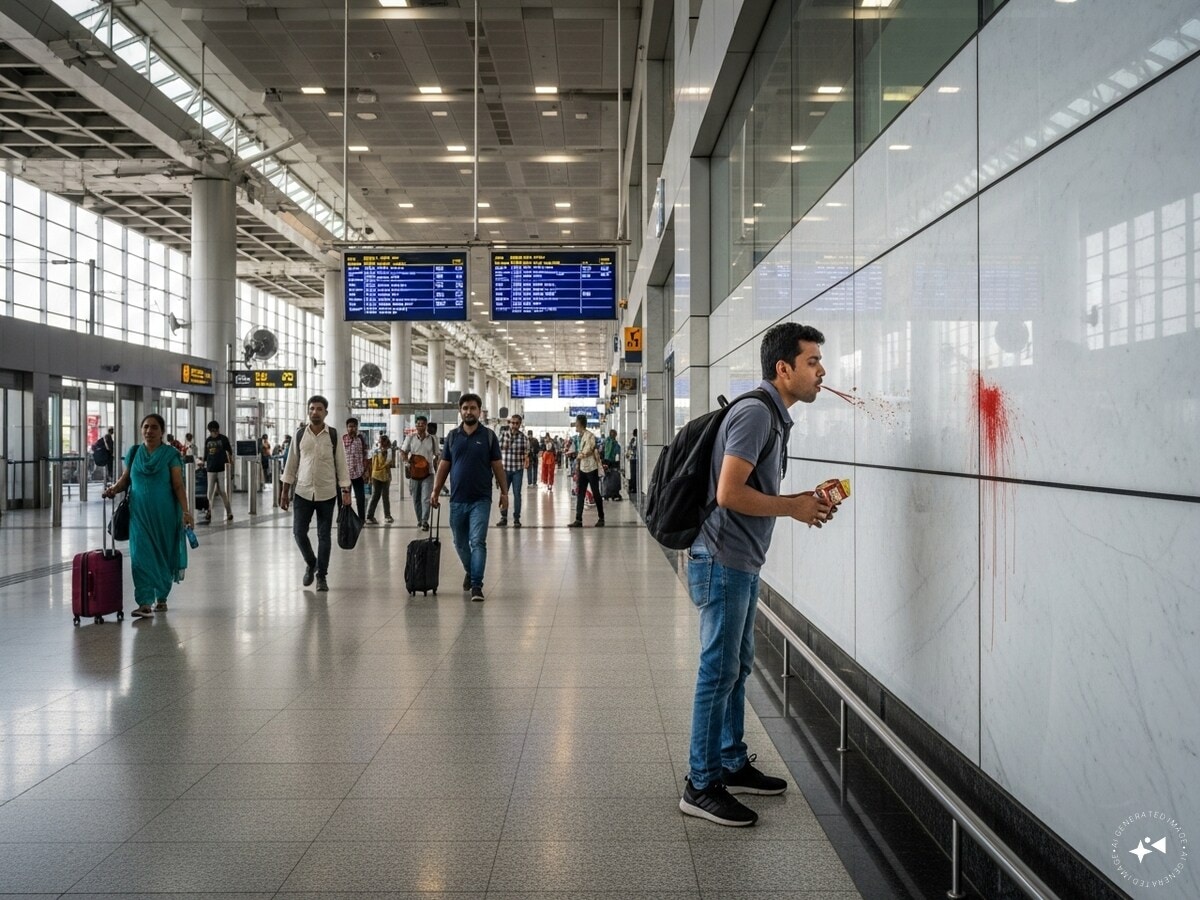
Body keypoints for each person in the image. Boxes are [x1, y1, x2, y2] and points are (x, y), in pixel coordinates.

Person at [679, 322, 835, 828]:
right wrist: (793, 507)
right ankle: (700, 784)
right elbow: (729, 493)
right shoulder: (754, 414)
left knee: (738, 666)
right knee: (718, 671)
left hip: (740, 560)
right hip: (723, 559)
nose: (822, 371)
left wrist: (800, 500)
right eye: (812, 361)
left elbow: (751, 489)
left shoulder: (770, 415)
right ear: (783, 368)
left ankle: (730, 760)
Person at [102, 414, 192, 619]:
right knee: (140, 556)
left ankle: (161, 595)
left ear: (162, 431)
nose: (149, 431)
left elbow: (178, 486)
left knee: (162, 554)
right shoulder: (134, 452)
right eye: (145, 427)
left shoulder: (170, 454)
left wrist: (186, 512)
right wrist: (113, 490)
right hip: (139, 515)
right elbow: (125, 480)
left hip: (165, 515)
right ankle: (144, 602)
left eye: (153, 428)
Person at [429, 393, 507, 602]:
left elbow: (497, 466)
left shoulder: (489, 436)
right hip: (457, 500)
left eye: (473, 408)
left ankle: (476, 585)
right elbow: (444, 465)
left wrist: (504, 492)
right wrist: (436, 490)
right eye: (465, 408)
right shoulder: (453, 436)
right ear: (460, 411)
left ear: (479, 411)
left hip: (481, 499)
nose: (468, 412)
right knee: (460, 542)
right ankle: (470, 570)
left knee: (477, 541)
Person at [279, 395, 352, 592]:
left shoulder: (333, 435)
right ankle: (312, 562)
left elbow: (341, 465)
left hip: (327, 493)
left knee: (324, 535)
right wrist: (285, 492)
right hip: (302, 491)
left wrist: (346, 491)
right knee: (298, 532)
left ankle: (322, 576)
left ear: (325, 412)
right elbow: (291, 464)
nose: (315, 412)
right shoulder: (300, 435)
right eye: (312, 408)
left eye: (319, 409)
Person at [400, 416, 438, 531]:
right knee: (416, 498)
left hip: (428, 472)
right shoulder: (410, 438)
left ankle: (425, 521)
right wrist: (406, 462)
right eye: (418, 424)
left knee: (426, 498)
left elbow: (437, 454)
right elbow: (403, 451)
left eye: (422, 424)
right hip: (415, 473)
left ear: (426, 425)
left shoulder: (432, 439)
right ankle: (419, 520)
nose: (420, 426)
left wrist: (438, 467)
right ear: (415, 426)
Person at [568, 414, 604, 528]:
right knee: (580, 493)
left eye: (577, 425)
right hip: (583, 469)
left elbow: (589, 449)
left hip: (591, 468)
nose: (576, 428)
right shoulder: (580, 437)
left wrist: (578, 455)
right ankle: (578, 519)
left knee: (596, 492)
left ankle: (601, 517)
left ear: (581, 425)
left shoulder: (590, 436)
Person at [496, 412, 529, 528]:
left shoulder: (523, 438)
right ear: (509, 423)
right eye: (512, 423)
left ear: (520, 424)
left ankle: (516, 519)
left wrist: (526, 460)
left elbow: (526, 453)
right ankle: (503, 517)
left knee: (517, 494)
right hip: (504, 469)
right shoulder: (503, 435)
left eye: (517, 423)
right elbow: (497, 452)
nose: (514, 425)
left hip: (517, 470)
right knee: (503, 493)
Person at [203, 420, 234, 523]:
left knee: (222, 492)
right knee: (209, 492)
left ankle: (229, 512)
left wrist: (231, 467)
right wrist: (204, 464)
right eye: (212, 431)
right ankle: (209, 512)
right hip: (211, 469)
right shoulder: (208, 441)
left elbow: (230, 453)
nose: (214, 432)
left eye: (216, 430)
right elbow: (206, 456)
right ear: (209, 431)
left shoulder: (224, 439)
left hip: (221, 469)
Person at [342, 417, 369, 521]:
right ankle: (346, 518)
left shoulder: (361, 439)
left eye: (354, 426)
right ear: (347, 428)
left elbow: (365, 455)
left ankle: (361, 518)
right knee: (345, 498)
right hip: (345, 475)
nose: (352, 429)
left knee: (360, 498)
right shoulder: (343, 439)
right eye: (350, 426)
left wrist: (365, 471)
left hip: (358, 474)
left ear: (357, 428)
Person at [365, 434, 394, 524]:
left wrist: (370, 476)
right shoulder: (387, 451)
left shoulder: (376, 451)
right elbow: (389, 463)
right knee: (384, 496)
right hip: (384, 476)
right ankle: (387, 516)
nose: (381, 443)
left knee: (375, 496)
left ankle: (370, 516)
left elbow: (371, 463)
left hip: (376, 475)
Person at [628, 428, 639, 494]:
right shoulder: (636, 440)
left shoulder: (632, 440)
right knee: (634, 474)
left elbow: (629, 449)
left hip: (632, 458)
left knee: (633, 474)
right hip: (635, 459)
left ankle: (633, 487)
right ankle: (634, 488)